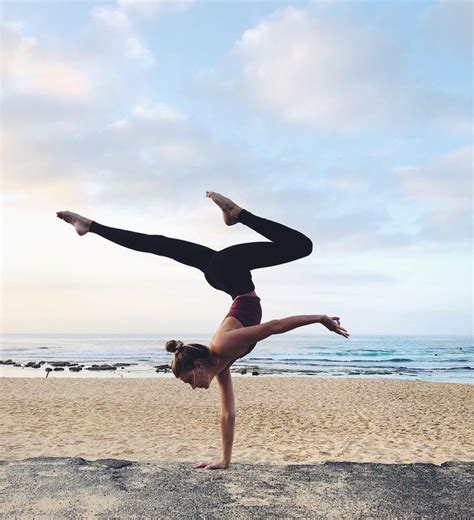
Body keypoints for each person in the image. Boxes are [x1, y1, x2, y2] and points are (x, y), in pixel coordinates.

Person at [56, 191, 349, 470]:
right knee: (159, 244)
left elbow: (272, 327)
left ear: (198, 365)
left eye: (188, 380)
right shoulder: (221, 363)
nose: (192, 387)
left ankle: (237, 214)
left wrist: (320, 318)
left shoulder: (223, 346)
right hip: (228, 279)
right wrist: (224, 459)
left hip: (229, 271)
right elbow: (227, 414)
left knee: (301, 246)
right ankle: (89, 225)